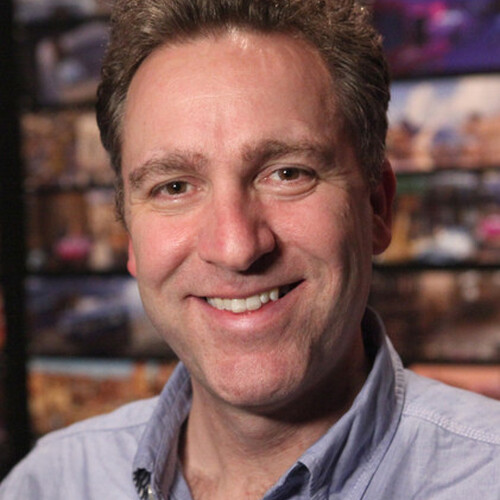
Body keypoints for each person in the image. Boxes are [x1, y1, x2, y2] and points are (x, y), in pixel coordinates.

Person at [2, 0, 500, 498]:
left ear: (377, 207)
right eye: (174, 187)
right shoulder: (51, 483)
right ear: (130, 235)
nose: (236, 247)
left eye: (288, 173)